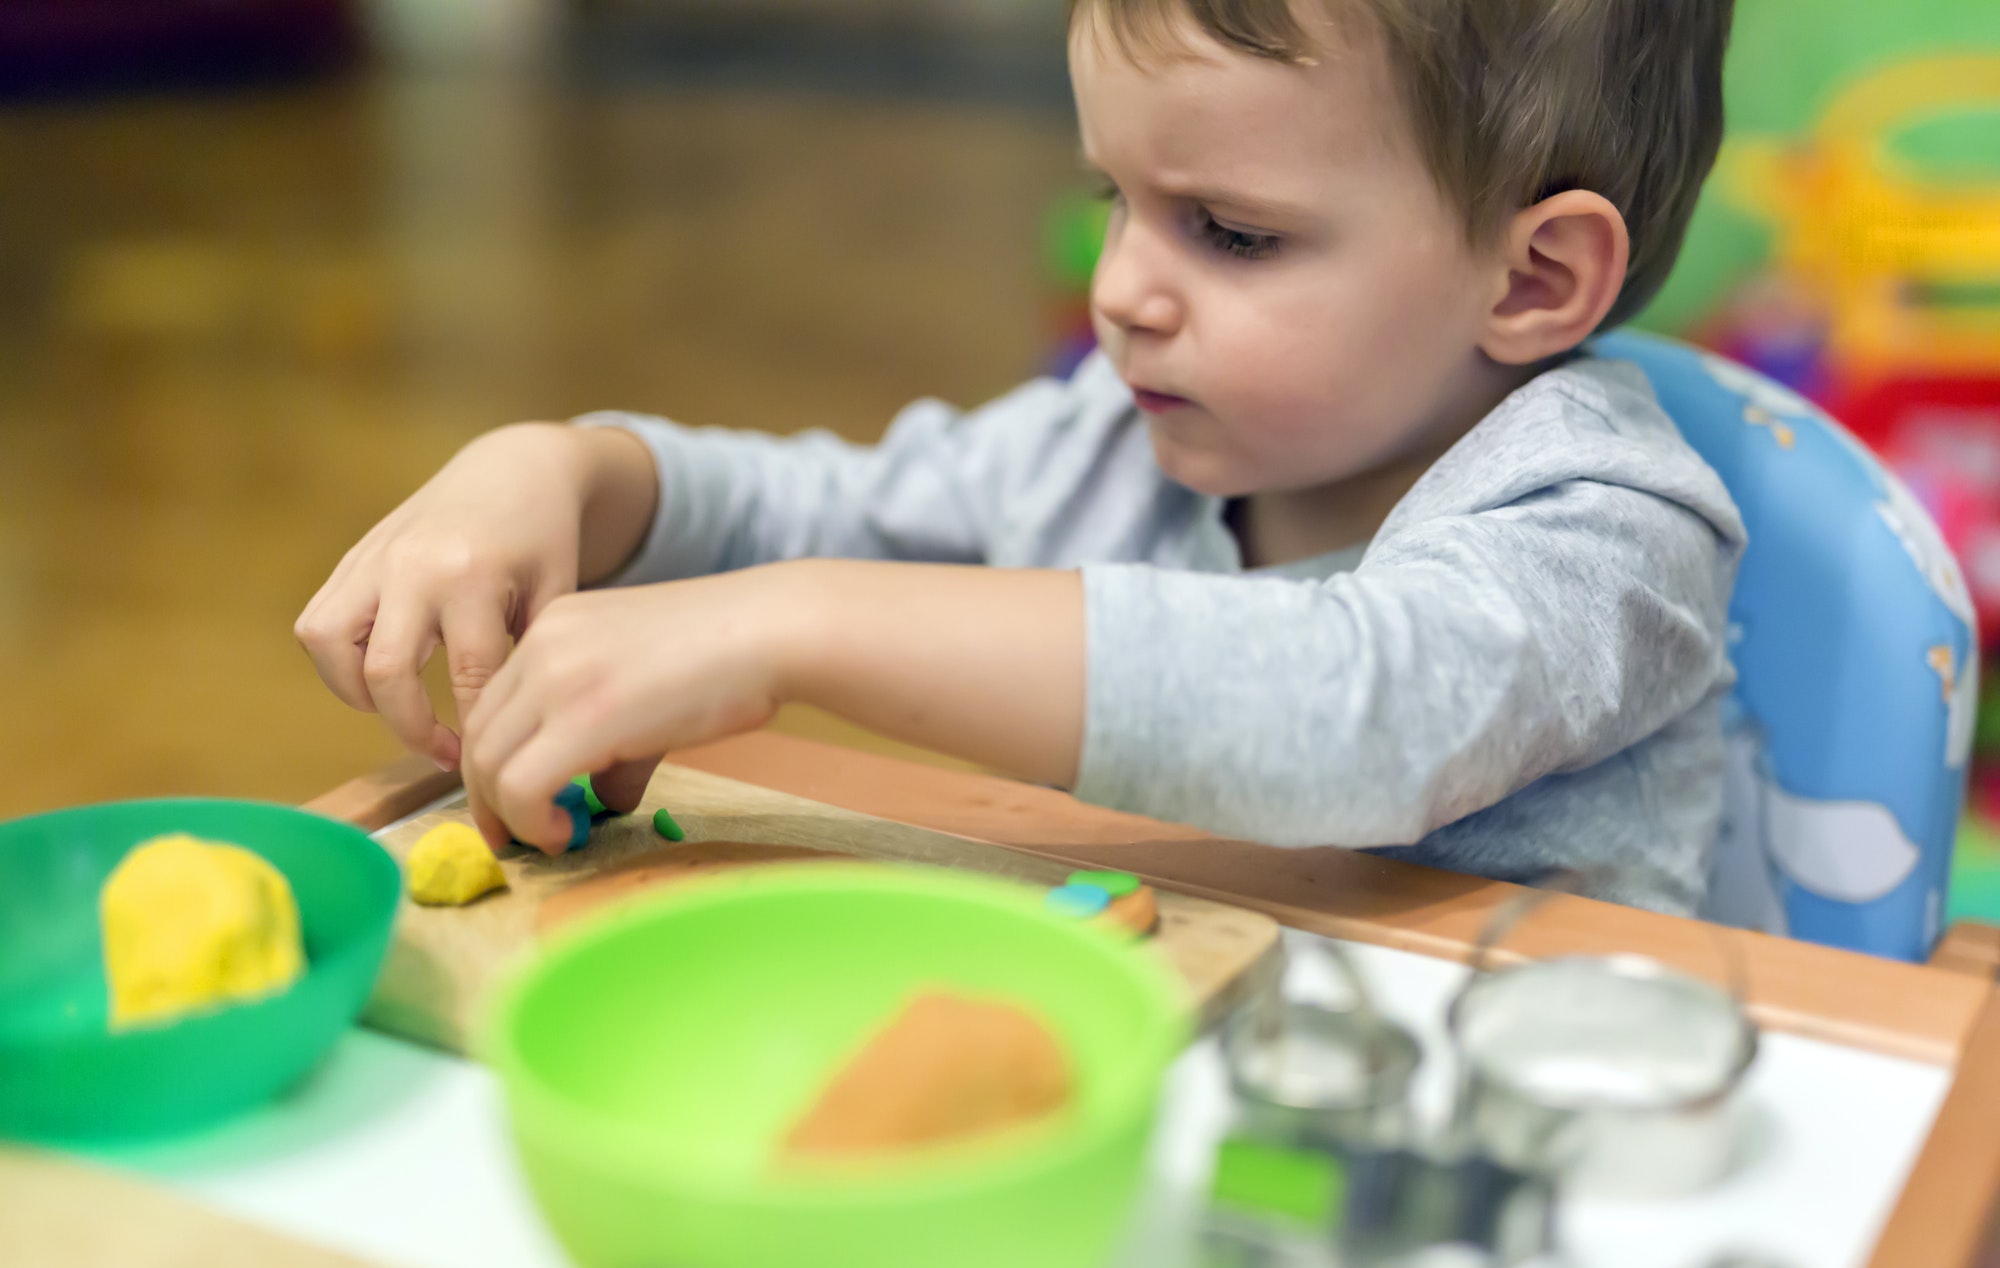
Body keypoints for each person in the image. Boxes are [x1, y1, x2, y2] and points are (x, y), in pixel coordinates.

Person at [297, 0, 1743, 915]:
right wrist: (560, 469)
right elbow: (814, 505)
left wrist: (796, 623)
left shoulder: (1608, 522)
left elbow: (1364, 708)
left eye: (1229, 231)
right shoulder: (1106, 448)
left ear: (1537, 276)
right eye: (1115, 195)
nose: (1121, 287)